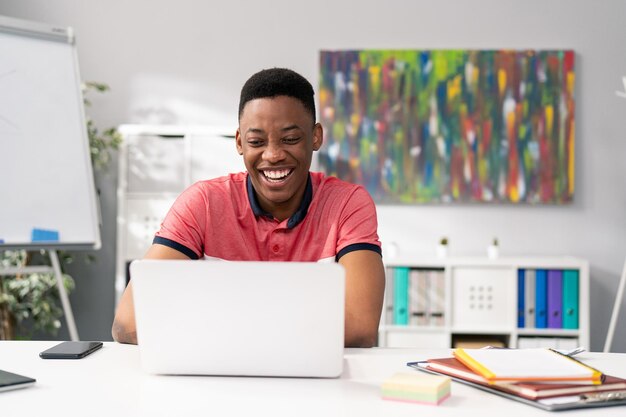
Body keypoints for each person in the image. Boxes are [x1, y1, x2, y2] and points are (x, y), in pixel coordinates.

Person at [112, 68, 385, 347]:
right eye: (256, 142)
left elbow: (361, 327)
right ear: (240, 142)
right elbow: (128, 323)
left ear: (315, 137)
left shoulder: (347, 204)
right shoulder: (203, 203)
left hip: (317, 385)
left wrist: (222, 326)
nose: (273, 155)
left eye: (290, 139)